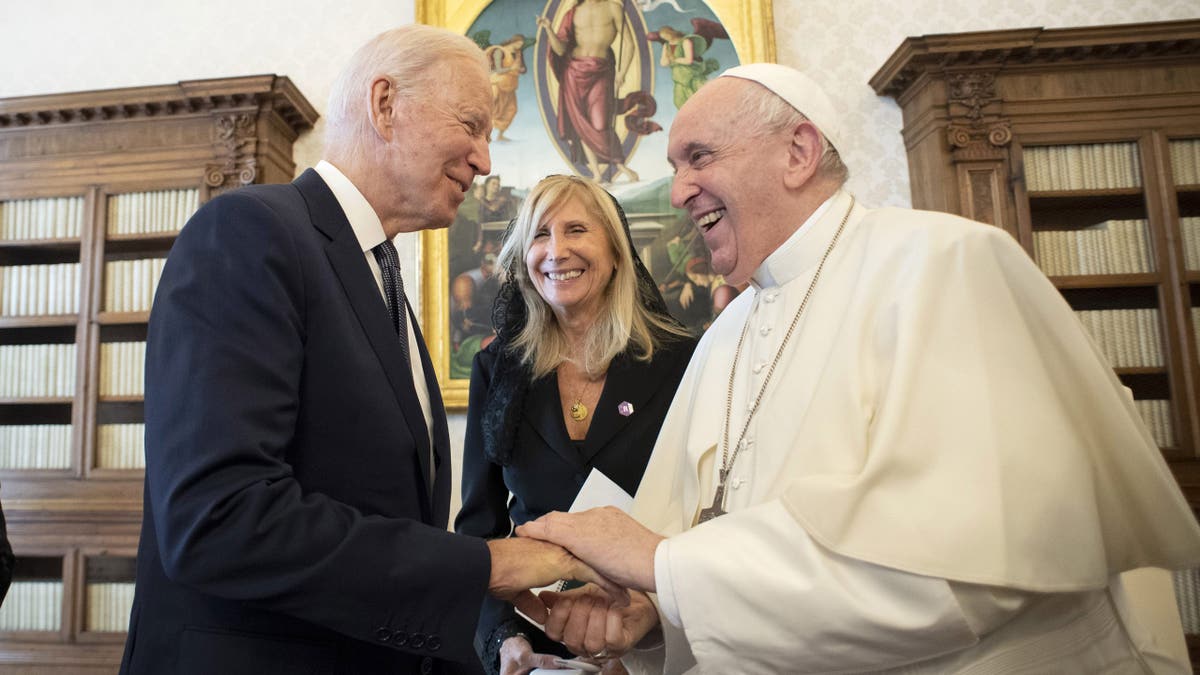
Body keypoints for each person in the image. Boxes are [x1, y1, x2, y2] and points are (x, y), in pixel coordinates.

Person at [517, 63, 1200, 673]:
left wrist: (664, 566)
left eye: (699, 157)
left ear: (798, 151)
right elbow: (712, 544)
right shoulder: (724, 335)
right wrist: (657, 615)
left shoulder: (944, 264)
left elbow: (960, 571)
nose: (679, 191)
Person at [120, 25, 620, 675]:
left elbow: (379, 544)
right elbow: (219, 518)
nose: (485, 160)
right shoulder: (250, 233)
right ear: (385, 105)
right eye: (471, 124)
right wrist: (490, 562)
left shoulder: (380, 282)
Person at [455, 175, 697, 675]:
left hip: (657, 637)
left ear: (615, 253)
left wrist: (650, 622)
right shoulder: (497, 369)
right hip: (538, 649)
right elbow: (479, 529)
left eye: (576, 230)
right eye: (540, 234)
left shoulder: (684, 361)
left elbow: (704, 515)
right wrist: (503, 640)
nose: (556, 251)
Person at [537, 0, 653, 183]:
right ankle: (597, 174)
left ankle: (620, 165)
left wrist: (622, 72)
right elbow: (559, 49)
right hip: (573, 72)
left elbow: (629, 44)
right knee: (580, 123)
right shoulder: (573, 12)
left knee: (600, 123)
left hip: (600, 71)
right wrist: (549, 29)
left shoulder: (613, 8)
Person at [484, 34, 528, 141]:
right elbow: (498, 70)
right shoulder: (500, 51)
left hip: (509, 86)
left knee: (511, 109)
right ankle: (485, 134)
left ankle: (500, 135)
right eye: (518, 44)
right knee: (491, 108)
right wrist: (511, 68)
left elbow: (522, 69)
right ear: (513, 41)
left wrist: (520, 69)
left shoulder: (517, 54)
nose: (519, 46)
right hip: (497, 83)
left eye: (521, 45)